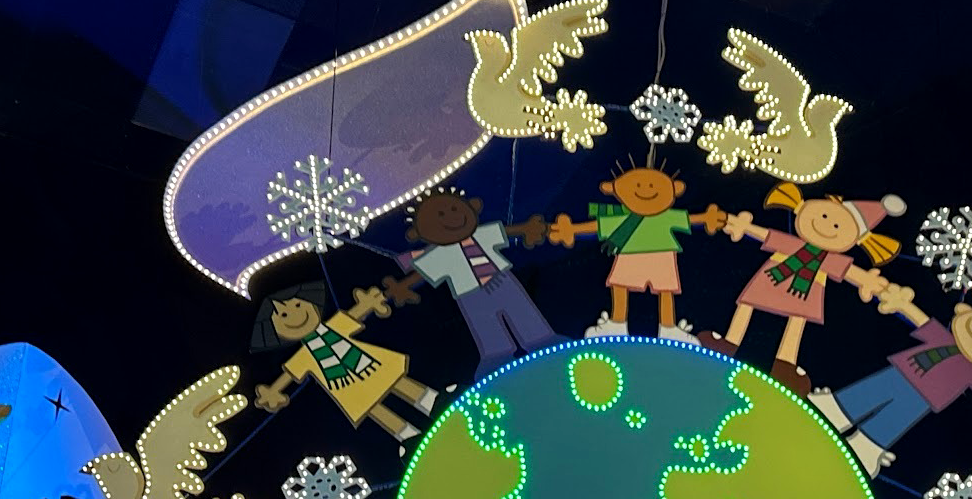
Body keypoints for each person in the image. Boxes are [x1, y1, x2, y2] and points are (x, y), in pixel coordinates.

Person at [700, 183, 905, 395]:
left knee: (796, 322)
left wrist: (868, 281)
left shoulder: (829, 259)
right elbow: (766, 235)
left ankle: (785, 365)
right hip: (772, 279)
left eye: (837, 226)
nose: (826, 225)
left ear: (855, 239)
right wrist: (742, 225)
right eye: (824, 216)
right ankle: (729, 342)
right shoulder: (791, 244)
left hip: (806, 290)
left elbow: (849, 272)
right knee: (747, 304)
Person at [809, 296, 972, 478]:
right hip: (903, 372)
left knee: (894, 418)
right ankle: (836, 409)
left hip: (924, 397)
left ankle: (866, 446)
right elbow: (922, 321)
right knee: (873, 391)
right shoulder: (944, 338)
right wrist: (902, 304)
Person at [382, 189, 557, 380]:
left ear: (473, 206)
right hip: (470, 294)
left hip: (501, 281)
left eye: (454, 209)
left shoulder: (481, 234)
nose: (451, 217)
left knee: (520, 309)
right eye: (440, 215)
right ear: (418, 232)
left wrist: (527, 228)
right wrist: (402, 287)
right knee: (486, 325)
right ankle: (497, 355)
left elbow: (506, 232)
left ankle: (541, 339)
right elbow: (421, 274)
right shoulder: (440, 254)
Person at [547, 163, 726, 341]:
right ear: (613, 189)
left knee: (665, 291)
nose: (645, 190)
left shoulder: (665, 217)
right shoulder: (623, 220)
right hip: (630, 257)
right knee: (621, 287)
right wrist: (571, 230)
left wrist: (707, 218)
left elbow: (689, 219)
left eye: (652, 185)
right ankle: (617, 324)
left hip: (661, 257)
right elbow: (598, 226)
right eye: (638, 185)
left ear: (675, 189)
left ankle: (668, 328)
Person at [251, 282, 440, 447]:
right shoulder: (303, 356)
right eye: (284, 315)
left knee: (396, 380)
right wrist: (273, 392)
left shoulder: (334, 326)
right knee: (374, 408)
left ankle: (432, 401)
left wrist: (367, 303)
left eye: (298, 304)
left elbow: (356, 313)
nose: (295, 314)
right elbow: (288, 376)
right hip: (344, 384)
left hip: (367, 363)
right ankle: (407, 435)